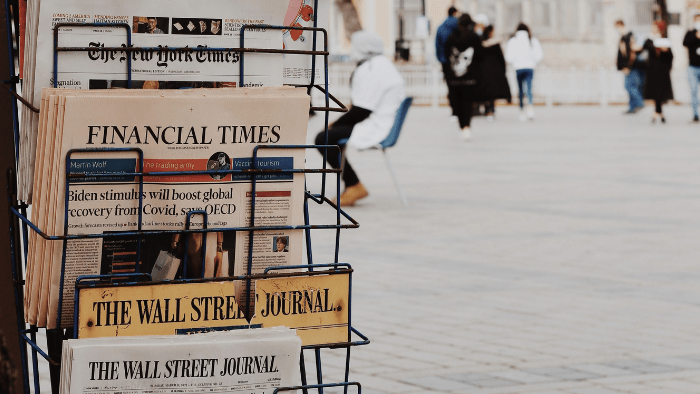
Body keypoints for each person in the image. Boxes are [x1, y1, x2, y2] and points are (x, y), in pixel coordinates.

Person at [314, 31, 405, 206]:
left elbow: (361, 110)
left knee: (323, 138)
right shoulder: (383, 64)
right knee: (331, 137)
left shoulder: (372, 68)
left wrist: (335, 124)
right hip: (383, 122)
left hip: (377, 126)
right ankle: (351, 184)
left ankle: (354, 185)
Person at [445, 14, 483, 140]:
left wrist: (447, 75)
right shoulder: (474, 38)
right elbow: (480, 57)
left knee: (458, 103)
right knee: (467, 103)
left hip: (454, 78)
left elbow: (446, 57)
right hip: (470, 78)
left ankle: (462, 126)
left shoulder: (451, 38)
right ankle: (466, 126)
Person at [505, 23, 543, 121]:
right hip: (530, 67)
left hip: (518, 68)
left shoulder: (513, 40)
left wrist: (514, 62)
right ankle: (530, 109)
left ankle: (521, 110)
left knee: (520, 90)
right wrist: (533, 62)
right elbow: (539, 55)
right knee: (529, 89)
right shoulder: (532, 40)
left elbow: (509, 57)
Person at [477, 25, 511, 121]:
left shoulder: (480, 44)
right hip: (493, 71)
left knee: (486, 92)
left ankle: (487, 109)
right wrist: (503, 70)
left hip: (483, 71)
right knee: (491, 92)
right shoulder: (495, 44)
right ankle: (490, 110)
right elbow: (501, 58)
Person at [643, 23, 673, 124]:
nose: (653, 29)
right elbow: (646, 48)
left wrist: (665, 50)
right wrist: (652, 40)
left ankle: (657, 112)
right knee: (655, 91)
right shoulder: (649, 40)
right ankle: (659, 112)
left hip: (662, 69)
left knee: (661, 91)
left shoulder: (665, 40)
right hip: (653, 70)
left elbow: (670, 55)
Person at [615, 20, 645, 114]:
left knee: (629, 86)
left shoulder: (628, 37)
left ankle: (640, 102)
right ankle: (632, 107)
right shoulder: (623, 37)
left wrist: (627, 66)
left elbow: (630, 54)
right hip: (629, 67)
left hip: (630, 67)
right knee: (630, 86)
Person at [435, 7, 460, 116]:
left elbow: (437, 45)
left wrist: (441, 59)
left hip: (446, 62)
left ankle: (454, 110)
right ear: (455, 13)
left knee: (450, 86)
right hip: (459, 61)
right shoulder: (459, 25)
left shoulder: (441, 27)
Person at [683, 13, 700, 122]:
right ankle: (695, 115)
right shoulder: (690, 32)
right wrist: (695, 36)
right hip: (692, 67)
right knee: (693, 91)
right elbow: (685, 43)